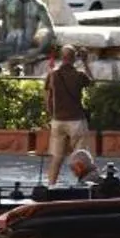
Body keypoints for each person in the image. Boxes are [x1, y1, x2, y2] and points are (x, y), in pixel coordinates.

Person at [43, 45, 93, 186]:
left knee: (57, 157)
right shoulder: (79, 75)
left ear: (62, 57)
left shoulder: (53, 74)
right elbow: (92, 82)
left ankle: (51, 185)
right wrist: (84, 62)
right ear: (73, 58)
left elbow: (47, 97)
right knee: (81, 156)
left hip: (58, 120)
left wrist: (51, 115)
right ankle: (82, 185)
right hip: (76, 120)